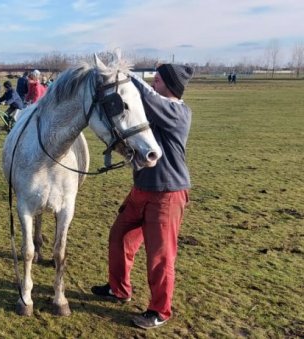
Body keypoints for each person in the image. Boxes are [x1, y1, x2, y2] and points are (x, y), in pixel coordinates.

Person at [91, 64, 194, 330]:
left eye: (158, 79)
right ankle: (119, 288)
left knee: (160, 256)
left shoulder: (178, 111)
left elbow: (147, 96)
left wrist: (123, 73)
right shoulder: (154, 109)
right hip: (141, 190)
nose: (154, 81)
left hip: (167, 194)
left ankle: (159, 311)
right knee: (119, 236)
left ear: (171, 86)